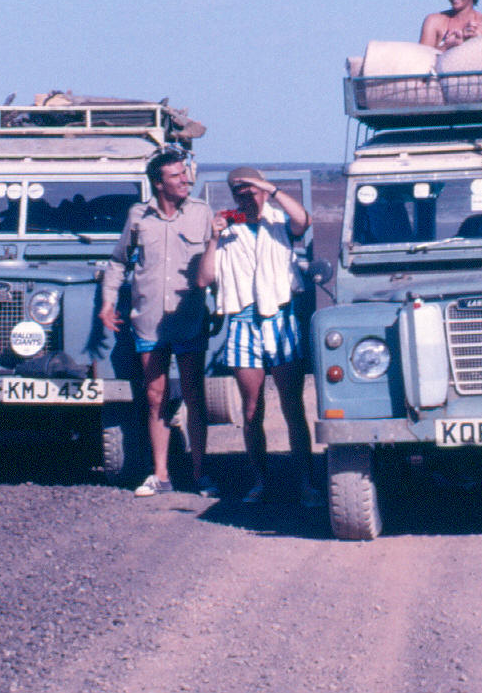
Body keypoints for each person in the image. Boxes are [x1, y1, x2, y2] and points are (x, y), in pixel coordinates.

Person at [201, 167, 322, 507]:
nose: (247, 197)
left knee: (292, 405)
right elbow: (203, 279)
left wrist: (269, 188)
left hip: (279, 317)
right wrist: (212, 239)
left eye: (252, 190)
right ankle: (261, 481)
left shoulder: (278, 221)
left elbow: (304, 221)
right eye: (239, 192)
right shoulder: (227, 227)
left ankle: (305, 482)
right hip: (242, 320)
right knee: (252, 408)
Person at [99, 149, 217, 497]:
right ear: (158, 182)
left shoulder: (202, 213)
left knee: (194, 395)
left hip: (189, 320)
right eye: (177, 176)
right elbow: (118, 262)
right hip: (148, 320)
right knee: (155, 397)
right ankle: (160, 475)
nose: (186, 180)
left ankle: (200, 474)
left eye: (186, 173)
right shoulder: (138, 216)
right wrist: (107, 303)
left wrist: (222, 304)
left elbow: (218, 257)